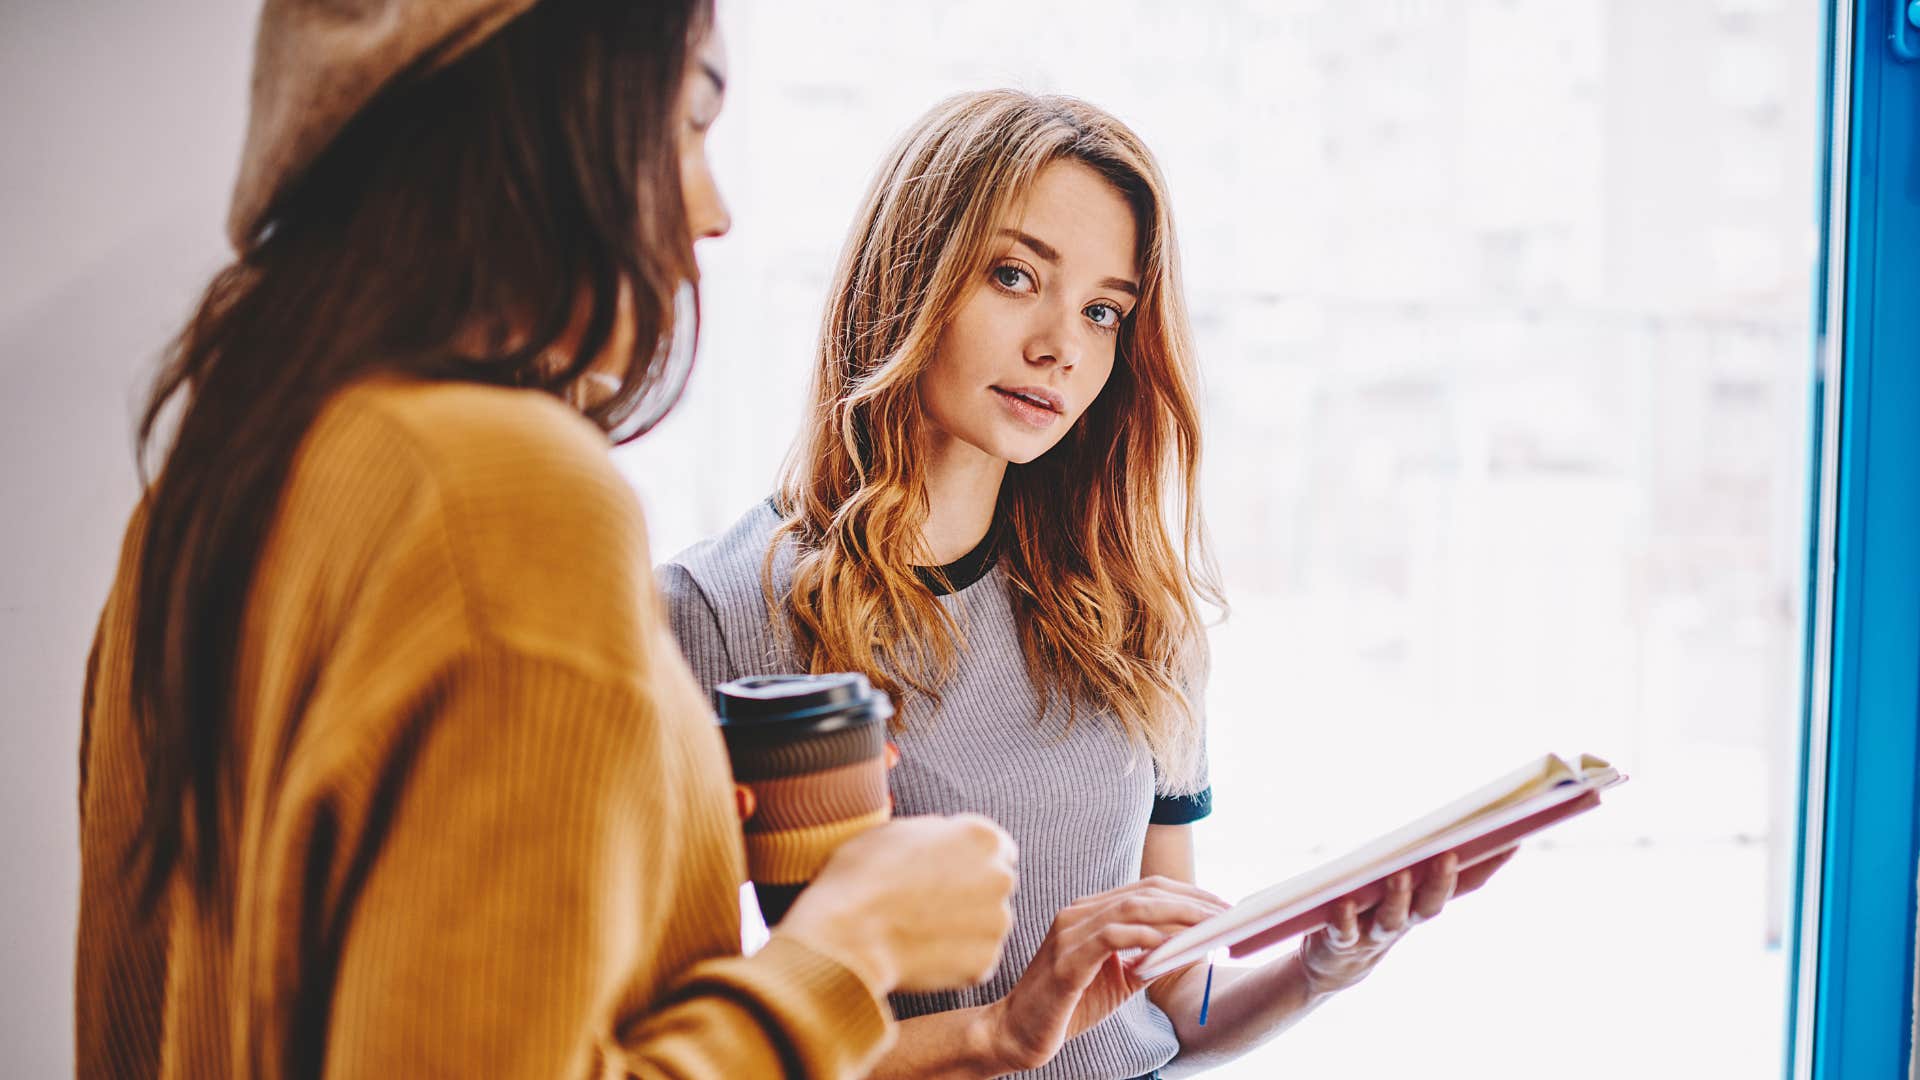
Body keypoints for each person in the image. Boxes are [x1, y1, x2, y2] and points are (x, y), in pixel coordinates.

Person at [74, 3, 1022, 1077]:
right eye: (689, 122)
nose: (713, 211)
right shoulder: (501, 495)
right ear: (543, 119)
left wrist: (667, 828)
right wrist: (851, 951)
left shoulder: (212, 490)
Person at [661, 89, 1514, 1079]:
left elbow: (1172, 1008)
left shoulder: (1134, 610)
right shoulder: (717, 614)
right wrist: (1005, 1028)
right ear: (905, 276)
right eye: (1016, 275)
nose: (1061, 345)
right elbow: (701, 1056)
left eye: (1104, 310)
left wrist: (1326, 962)